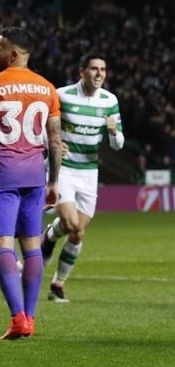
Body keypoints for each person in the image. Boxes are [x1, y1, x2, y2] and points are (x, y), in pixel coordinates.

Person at [0, 26, 62, 340]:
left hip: (3, 176)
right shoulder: (47, 89)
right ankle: (30, 318)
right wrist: (54, 181)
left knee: (3, 245)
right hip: (35, 178)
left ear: (13, 55)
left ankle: (18, 318)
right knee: (31, 247)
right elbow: (56, 140)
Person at [41, 54, 124, 303]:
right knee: (69, 221)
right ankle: (50, 236)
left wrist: (112, 131)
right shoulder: (62, 95)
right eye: (94, 69)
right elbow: (42, 127)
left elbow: (118, 144)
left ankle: (57, 285)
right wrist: (53, 144)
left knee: (78, 232)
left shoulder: (110, 101)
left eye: (103, 69)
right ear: (82, 72)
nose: (99, 74)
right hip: (63, 168)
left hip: (89, 172)